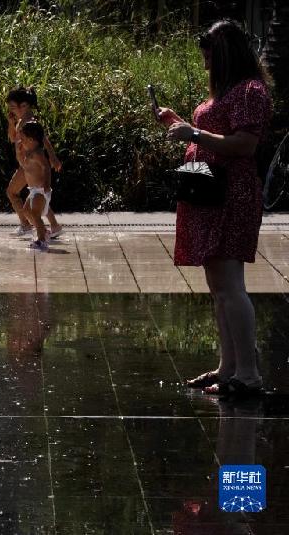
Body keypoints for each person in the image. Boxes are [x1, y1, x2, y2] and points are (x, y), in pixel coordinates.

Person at [157, 20, 272, 396]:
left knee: (231, 287)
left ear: (225, 56)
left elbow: (243, 145)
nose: (206, 66)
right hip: (210, 192)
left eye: (209, 58)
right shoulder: (231, 90)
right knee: (219, 287)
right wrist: (182, 125)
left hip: (230, 196)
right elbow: (215, 136)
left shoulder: (249, 91)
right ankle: (229, 368)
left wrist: (194, 133)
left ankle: (249, 375)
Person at [5, 87, 64, 238]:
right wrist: (11, 122)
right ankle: (54, 226)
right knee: (37, 195)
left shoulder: (30, 120)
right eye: (11, 107)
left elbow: (44, 139)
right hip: (25, 163)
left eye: (15, 107)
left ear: (25, 105)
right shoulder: (20, 120)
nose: (14, 110)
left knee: (12, 192)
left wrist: (53, 157)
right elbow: (12, 139)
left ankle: (27, 225)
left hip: (30, 164)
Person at [17, 120, 52, 251]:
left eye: (23, 139)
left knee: (35, 214)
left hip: (41, 190)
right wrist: (19, 153)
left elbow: (47, 167)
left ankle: (42, 240)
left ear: (31, 140)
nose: (21, 141)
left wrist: (47, 184)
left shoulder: (38, 153)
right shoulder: (29, 153)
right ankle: (43, 230)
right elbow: (24, 166)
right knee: (26, 211)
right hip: (33, 190)